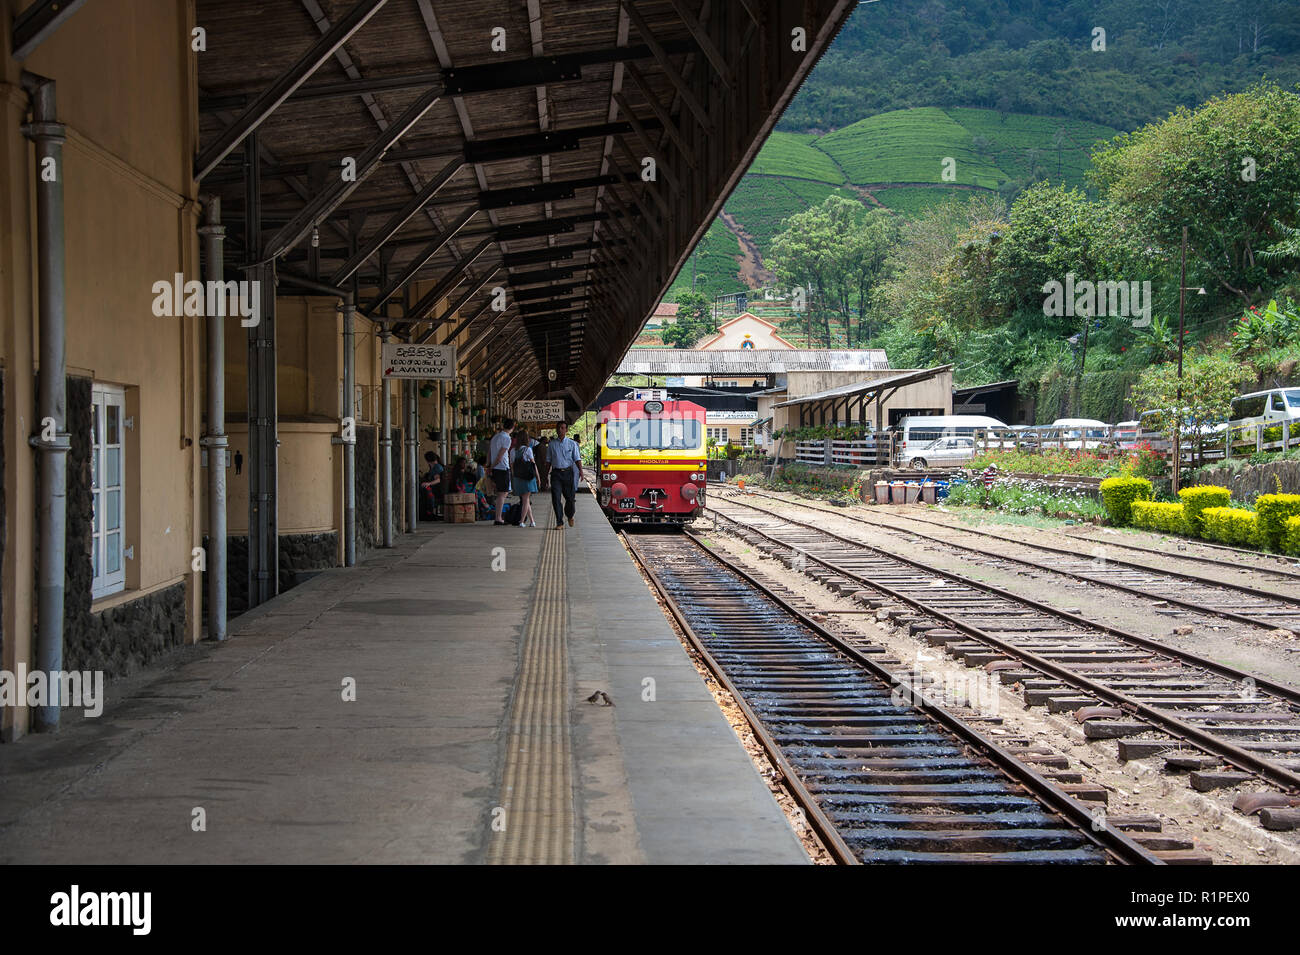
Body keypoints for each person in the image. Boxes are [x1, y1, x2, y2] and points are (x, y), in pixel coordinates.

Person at [548, 421, 581, 528]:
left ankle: (570, 515)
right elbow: (548, 461)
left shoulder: (572, 444)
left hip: (568, 473)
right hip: (556, 474)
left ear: (566, 430)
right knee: (556, 498)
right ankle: (559, 522)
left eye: (562, 428)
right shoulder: (552, 444)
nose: (560, 430)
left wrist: (581, 471)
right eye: (558, 428)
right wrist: (544, 477)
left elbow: (577, 458)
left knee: (570, 499)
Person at [488, 417, 515, 525]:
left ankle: (498, 516)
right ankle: (498, 518)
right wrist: (492, 466)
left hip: (495, 468)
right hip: (502, 467)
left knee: (500, 493)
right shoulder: (507, 438)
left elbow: (489, 452)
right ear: (513, 427)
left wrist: (489, 465)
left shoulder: (495, 437)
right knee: (502, 493)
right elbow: (500, 456)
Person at [511, 428, 539, 528]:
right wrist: (538, 477)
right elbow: (533, 464)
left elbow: (512, 466)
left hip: (518, 477)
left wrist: (514, 478)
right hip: (528, 478)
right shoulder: (528, 450)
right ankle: (522, 521)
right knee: (525, 499)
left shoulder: (513, 451)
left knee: (525, 499)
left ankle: (532, 521)